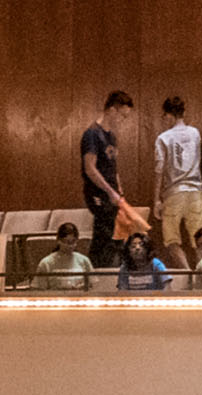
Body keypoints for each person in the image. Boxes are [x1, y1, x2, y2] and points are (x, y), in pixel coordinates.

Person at [151, 94, 202, 264]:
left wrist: (156, 200)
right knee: (201, 241)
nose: (165, 119)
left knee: (171, 241)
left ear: (169, 114)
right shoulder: (197, 133)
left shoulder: (164, 138)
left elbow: (159, 170)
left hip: (173, 193)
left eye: (165, 116)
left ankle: (186, 273)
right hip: (196, 192)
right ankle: (199, 278)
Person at [79, 89, 133, 264]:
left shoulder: (111, 136)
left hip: (111, 193)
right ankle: (98, 274)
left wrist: (119, 190)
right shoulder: (93, 134)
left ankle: (102, 273)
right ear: (112, 110)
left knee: (112, 237)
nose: (122, 120)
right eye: (122, 116)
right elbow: (90, 168)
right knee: (106, 236)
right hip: (98, 194)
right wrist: (110, 191)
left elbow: (112, 167)